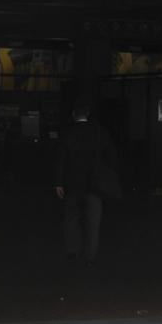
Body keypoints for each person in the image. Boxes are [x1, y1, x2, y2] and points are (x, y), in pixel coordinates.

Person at [54, 103, 119, 265]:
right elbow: (112, 155)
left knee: (71, 218)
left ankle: (72, 251)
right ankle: (90, 255)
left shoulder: (68, 133)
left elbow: (60, 160)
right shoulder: (99, 132)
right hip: (94, 184)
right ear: (88, 114)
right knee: (93, 222)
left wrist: (59, 182)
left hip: (73, 184)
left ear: (73, 115)